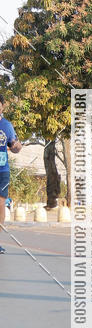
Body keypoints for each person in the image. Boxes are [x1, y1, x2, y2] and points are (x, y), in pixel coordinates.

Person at [0, 94, 23, 254]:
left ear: (2, 106)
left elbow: (14, 144)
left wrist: (16, 147)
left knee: (0, 204)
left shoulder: (7, 125)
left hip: (2, 170)